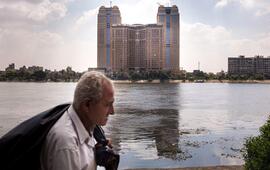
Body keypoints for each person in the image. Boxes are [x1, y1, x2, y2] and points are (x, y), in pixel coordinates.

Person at [40, 71, 115, 170]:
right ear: (87, 105)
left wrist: (97, 151)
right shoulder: (67, 145)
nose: (112, 111)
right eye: (107, 105)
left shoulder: (88, 124)